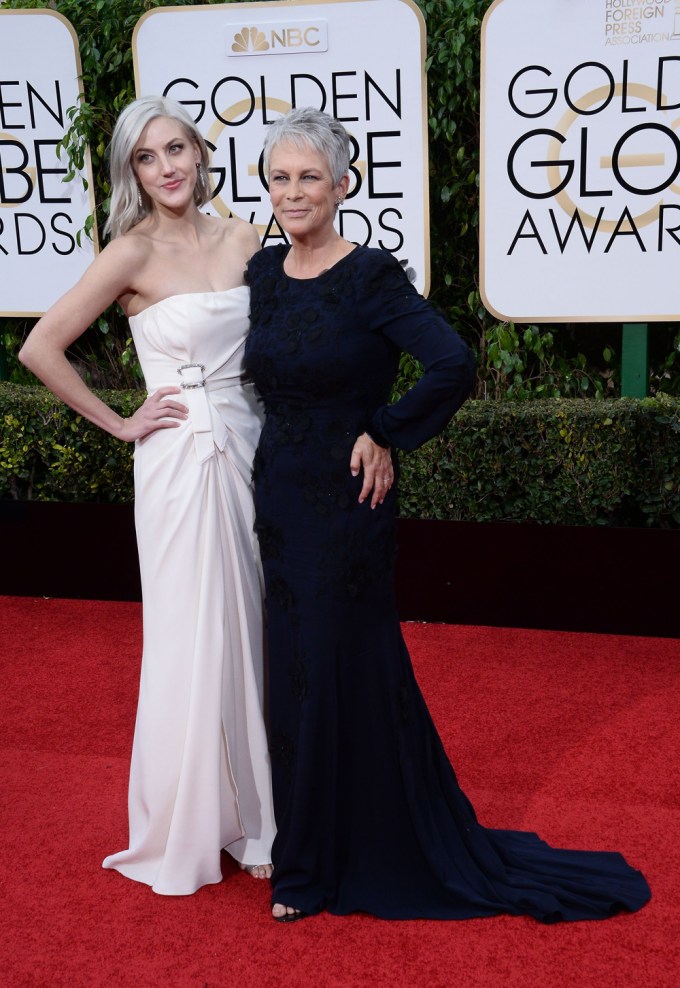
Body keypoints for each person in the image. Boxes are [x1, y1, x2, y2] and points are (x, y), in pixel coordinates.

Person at [243, 106, 651, 923]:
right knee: (294, 676)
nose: (293, 192)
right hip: (279, 499)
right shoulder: (260, 272)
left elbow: (451, 364)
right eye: (280, 176)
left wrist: (386, 432)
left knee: (331, 672)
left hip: (348, 506)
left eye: (310, 177)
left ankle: (312, 872)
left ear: (343, 185)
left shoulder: (371, 277)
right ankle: (307, 844)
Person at [19, 95, 276, 895]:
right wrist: (121, 423)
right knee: (192, 634)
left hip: (255, 445)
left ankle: (261, 811)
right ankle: (202, 820)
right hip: (176, 463)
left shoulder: (246, 236)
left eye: (176, 149)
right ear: (132, 171)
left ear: (200, 153)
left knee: (259, 626)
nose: (166, 167)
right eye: (146, 157)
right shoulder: (128, 255)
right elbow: (40, 347)